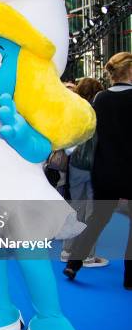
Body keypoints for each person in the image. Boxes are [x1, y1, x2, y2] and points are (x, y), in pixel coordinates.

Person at [64, 52, 132, 289]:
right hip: (128, 170)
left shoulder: (100, 99)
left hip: (103, 171)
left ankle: (74, 262)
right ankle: (130, 275)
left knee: (96, 220)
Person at [61, 77, 108, 267]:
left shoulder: (73, 110)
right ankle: (87, 255)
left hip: (76, 165)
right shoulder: (101, 111)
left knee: (75, 207)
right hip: (96, 166)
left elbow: (67, 141)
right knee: (92, 211)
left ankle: (67, 250)